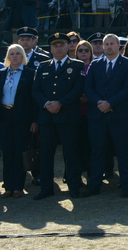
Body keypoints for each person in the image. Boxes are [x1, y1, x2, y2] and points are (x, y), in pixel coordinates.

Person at [84, 33, 128, 198]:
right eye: (106, 44)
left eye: (111, 44)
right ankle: (94, 185)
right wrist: (100, 102)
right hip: (98, 115)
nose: (108, 47)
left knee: (123, 152)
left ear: (118, 46)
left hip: (120, 116)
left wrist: (110, 103)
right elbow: (88, 88)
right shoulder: (95, 65)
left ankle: (126, 185)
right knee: (97, 152)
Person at [32, 33, 86, 200]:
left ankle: (74, 187)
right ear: (51, 48)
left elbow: (78, 89)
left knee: (71, 154)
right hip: (47, 117)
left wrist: (60, 103)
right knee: (46, 154)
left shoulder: (77, 65)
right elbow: (35, 90)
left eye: (62, 45)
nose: (59, 48)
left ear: (68, 46)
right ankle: (46, 188)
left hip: (68, 117)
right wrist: (47, 103)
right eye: (55, 46)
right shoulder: (43, 66)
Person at [0, 44, 37, 198]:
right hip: (4, 116)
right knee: (7, 152)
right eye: (12, 54)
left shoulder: (30, 73)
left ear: (22, 56)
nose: (15, 56)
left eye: (18, 53)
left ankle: (18, 186)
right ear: (8, 57)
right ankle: (8, 186)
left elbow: (34, 99)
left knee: (20, 152)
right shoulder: (1, 73)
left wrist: (34, 120)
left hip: (23, 118)